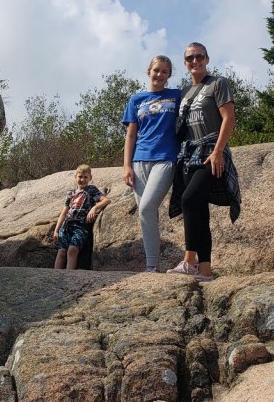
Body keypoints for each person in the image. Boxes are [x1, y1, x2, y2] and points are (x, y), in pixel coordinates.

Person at [167, 42, 241, 282]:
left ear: (207, 59)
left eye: (199, 56)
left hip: (210, 152)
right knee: (199, 210)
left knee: (188, 200)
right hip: (190, 155)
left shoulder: (218, 84)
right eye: (189, 58)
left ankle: (189, 261)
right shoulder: (186, 93)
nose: (195, 61)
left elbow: (228, 118)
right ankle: (206, 270)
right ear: (185, 63)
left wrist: (218, 151)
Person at [122, 55, 181, 273]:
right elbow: (130, 136)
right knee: (146, 214)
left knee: (147, 208)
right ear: (149, 71)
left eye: (164, 71)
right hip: (139, 161)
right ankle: (152, 266)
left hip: (165, 158)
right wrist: (126, 165)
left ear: (169, 75)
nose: (159, 75)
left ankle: (154, 264)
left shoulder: (176, 96)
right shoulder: (136, 99)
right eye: (156, 70)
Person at [53, 164, 112, 270]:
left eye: (85, 177)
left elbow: (106, 200)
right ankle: (55, 276)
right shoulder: (71, 193)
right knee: (62, 251)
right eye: (80, 177)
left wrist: (94, 208)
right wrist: (56, 230)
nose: (82, 180)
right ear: (75, 176)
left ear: (90, 178)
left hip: (81, 226)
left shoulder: (91, 190)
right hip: (67, 226)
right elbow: (64, 213)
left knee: (72, 250)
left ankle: (69, 277)